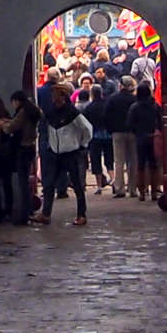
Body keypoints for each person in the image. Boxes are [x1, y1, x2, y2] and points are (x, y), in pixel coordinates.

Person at [36, 82, 92, 226]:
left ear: (63, 96)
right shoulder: (50, 111)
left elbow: (87, 128)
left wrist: (82, 145)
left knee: (77, 185)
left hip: (71, 153)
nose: (53, 97)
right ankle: (46, 214)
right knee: (48, 185)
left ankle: (81, 215)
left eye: (55, 94)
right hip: (55, 152)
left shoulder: (72, 112)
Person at [6, 89, 41, 225]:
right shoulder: (33, 110)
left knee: (23, 183)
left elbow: (11, 128)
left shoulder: (23, 112)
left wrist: (4, 125)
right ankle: (28, 211)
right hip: (30, 147)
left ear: (17, 101)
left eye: (13, 102)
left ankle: (24, 214)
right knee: (25, 181)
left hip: (23, 148)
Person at [129, 76, 166, 201]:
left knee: (140, 165)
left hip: (140, 138)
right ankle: (155, 191)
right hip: (153, 138)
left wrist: (137, 132)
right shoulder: (155, 106)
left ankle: (142, 193)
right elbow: (161, 122)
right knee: (154, 165)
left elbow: (130, 123)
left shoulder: (134, 107)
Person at [106, 76, 139, 196]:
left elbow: (107, 115)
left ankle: (120, 188)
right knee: (133, 160)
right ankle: (133, 188)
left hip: (117, 132)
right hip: (132, 132)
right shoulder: (134, 99)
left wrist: (110, 130)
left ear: (120, 85)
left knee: (119, 161)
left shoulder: (113, 99)